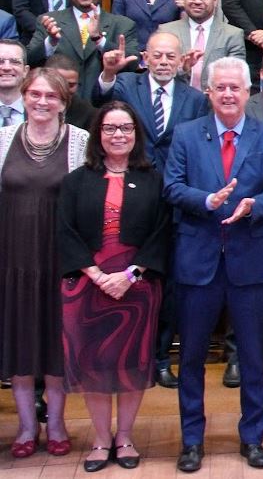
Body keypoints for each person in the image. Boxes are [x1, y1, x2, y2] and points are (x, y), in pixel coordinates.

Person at [164, 57, 263, 472]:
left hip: (250, 260)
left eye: (236, 87)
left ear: (248, 91)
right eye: (221, 87)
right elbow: (171, 187)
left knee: (253, 357)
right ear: (209, 92)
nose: (229, 94)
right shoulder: (186, 134)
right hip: (197, 261)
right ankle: (191, 441)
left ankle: (253, 437)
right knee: (192, 358)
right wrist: (206, 201)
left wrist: (254, 205)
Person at [57, 104, 170, 471]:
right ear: (98, 134)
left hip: (136, 289)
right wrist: (97, 275)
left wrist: (130, 275)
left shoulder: (154, 179)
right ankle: (101, 439)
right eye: (110, 128)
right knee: (93, 366)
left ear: (136, 133)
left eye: (125, 128)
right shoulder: (77, 181)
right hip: (86, 287)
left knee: (130, 364)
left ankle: (124, 437)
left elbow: (161, 233)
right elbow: (65, 232)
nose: (118, 135)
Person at [0, 67, 89, 460]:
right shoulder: (3, 138)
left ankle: (55, 424)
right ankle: (24, 427)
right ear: (23, 97)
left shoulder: (80, 141)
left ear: (63, 102)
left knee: (56, 346)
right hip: (12, 261)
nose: (42, 101)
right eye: (35, 94)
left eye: (51, 96)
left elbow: (87, 203)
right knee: (19, 344)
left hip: (59, 261)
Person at [91, 30, 211, 168]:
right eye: (157, 56)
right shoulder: (127, 84)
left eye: (171, 57)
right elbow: (100, 101)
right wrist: (108, 73)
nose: (164, 62)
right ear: (146, 58)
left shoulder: (196, 100)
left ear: (181, 60)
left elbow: (198, 145)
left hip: (173, 175)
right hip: (131, 171)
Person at [27, 0, 137, 102]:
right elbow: (29, 59)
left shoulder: (123, 24)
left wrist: (99, 40)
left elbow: (133, 64)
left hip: (103, 103)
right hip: (58, 102)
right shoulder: (50, 20)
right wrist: (51, 42)